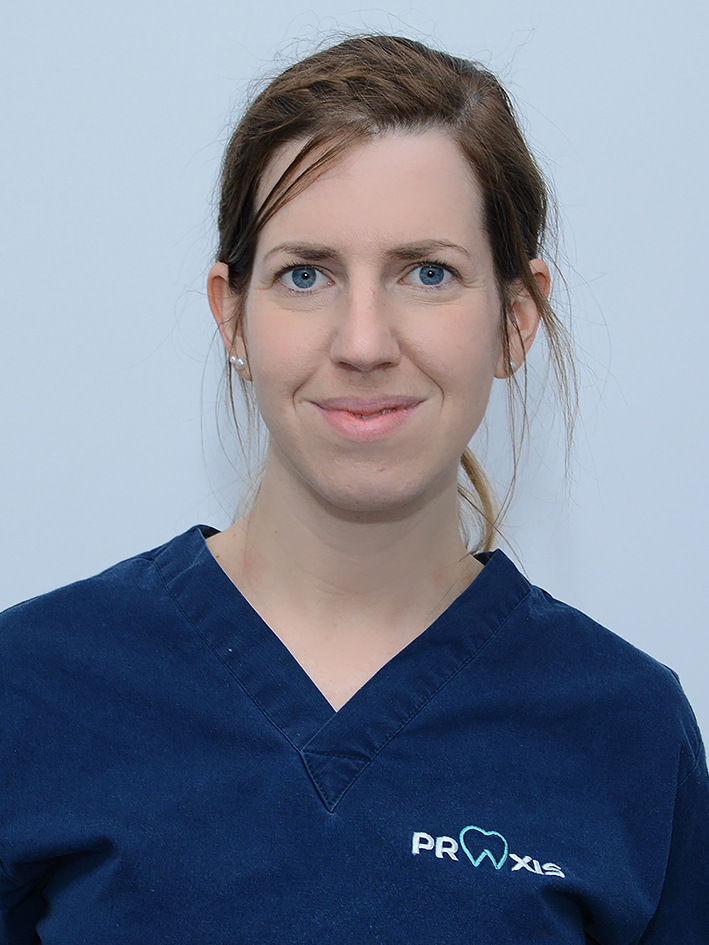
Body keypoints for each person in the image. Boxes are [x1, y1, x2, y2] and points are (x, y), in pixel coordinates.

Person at [1, 33, 707, 944]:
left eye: (427, 273)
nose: (363, 341)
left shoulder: (627, 731)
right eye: (306, 274)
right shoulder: (32, 685)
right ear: (231, 314)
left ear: (515, 318)